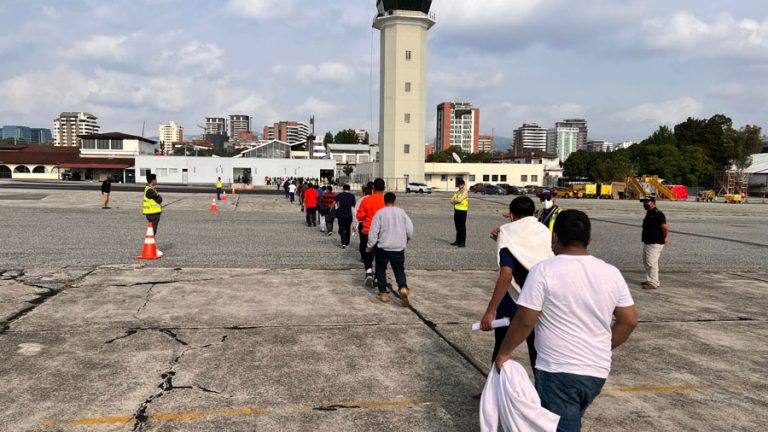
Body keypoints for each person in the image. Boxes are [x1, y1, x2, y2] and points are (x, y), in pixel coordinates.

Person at [495, 210, 638, 432]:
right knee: (568, 420)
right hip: (596, 372)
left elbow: (524, 320)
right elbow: (628, 321)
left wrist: (504, 353)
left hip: (558, 370)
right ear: (589, 239)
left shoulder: (543, 271)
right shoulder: (611, 272)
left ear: (554, 237)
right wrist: (601, 348)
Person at [481, 196, 553, 371]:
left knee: (502, 347)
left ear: (511, 215)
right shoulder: (544, 231)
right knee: (538, 351)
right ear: (533, 213)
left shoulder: (506, 231)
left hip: (513, 298)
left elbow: (506, 275)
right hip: (540, 298)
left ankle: (495, 391)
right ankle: (542, 393)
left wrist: (489, 312)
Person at [366, 192, 413, 304]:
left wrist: (369, 246)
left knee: (381, 269)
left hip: (383, 247)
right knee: (399, 270)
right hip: (398, 246)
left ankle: (383, 293)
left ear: (384, 201)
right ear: (394, 200)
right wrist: (408, 239)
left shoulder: (380, 213)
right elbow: (410, 228)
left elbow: (373, 232)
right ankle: (403, 288)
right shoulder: (401, 212)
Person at [356, 178, 386, 287]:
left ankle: (368, 271)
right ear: (384, 188)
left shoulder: (366, 200)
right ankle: (378, 275)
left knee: (367, 252)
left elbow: (359, 216)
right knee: (380, 255)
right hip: (382, 232)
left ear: (373, 188)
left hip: (367, 230)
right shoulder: (386, 201)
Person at [641, 197, 668, 290]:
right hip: (648, 241)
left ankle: (654, 282)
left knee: (652, 262)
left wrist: (664, 238)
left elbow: (664, 227)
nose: (644, 204)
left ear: (653, 203)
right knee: (646, 262)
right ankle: (650, 280)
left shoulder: (658, 214)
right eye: (643, 202)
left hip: (655, 242)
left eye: (646, 202)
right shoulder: (649, 213)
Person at [142, 173, 163, 257]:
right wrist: (158, 196)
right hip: (153, 213)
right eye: (156, 179)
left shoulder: (149, 189)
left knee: (152, 231)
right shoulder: (150, 190)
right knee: (153, 232)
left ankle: (152, 247)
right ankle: (152, 248)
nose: (156, 181)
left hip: (150, 213)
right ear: (153, 180)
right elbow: (159, 199)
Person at [335, 184, 356, 248]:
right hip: (349, 215)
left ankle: (343, 242)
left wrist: (337, 208)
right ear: (349, 189)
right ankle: (347, 242)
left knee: (341, 228)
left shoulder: (340, 195)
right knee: (347, 229)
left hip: (341, 214)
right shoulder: (352, 196)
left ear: (343, 189)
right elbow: (353, 206)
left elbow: (335, 202)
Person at [450, 179, 468, 247]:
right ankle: (458, 241)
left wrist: (455, 200)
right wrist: (455, 200)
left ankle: (462, 242)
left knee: (462, 227)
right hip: (456, 210)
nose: (459, 186)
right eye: (458, 185)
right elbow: (451, 200)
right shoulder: (458, 192)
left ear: (463, 184)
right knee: (457, 226)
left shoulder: (465, 191)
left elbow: (460, 200)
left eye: (460, 184)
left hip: (462, 211)